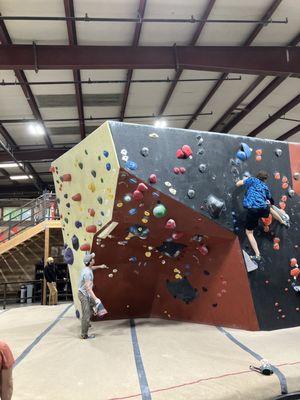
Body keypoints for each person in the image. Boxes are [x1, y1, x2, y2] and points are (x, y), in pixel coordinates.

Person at [236, 170, 288, 262]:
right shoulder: (265, 187)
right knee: (270, 208)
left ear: (257, 176)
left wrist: (241, 182)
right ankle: (282, 221)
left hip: (253, 209)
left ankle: (257, 255)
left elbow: (238, 184)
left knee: (249, 232)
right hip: (264, 208)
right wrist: (269, 202)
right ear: (265, 180)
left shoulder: (251, 180)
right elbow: (271, 201)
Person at [78, 253, 107, 339]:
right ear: (89, 262)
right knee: (86, 314)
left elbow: (92, 268)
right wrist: (96, 298)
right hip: (83, 295)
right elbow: (88, 288)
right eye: (92, 259)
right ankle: (84, 334)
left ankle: (88, 321)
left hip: (86, 294)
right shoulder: (87, 273)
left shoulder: (87, 268)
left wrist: (100, 266)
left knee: (93, 307)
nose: (93, 260)